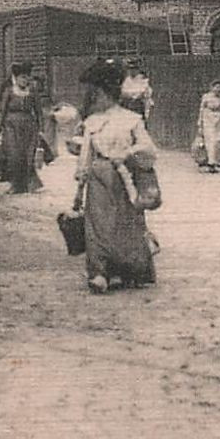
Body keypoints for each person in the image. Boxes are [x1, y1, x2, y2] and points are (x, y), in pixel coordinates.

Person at [68, 58, 158, 293]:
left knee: (122, 223)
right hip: (100, 178)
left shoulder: (131, 119)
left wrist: (127, 154)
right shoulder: (93, 122)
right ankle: (101, 272)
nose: (94, 99)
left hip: (123, 177)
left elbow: (148, 148)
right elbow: (85, 157)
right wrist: (79, 189)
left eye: (97, 94)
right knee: (99, 225)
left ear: (104, 94)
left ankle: (118, 271)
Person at [0, 61, 48, 194]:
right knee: (14, 156)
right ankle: (15, 185)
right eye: (22, 78)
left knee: (28, 156)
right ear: (16, 78)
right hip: (11, 127)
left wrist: (41, 129)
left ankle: (27, 185)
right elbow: (2, 111)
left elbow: (38, 111)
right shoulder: (9, 91)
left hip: (29, 127)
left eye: (27, 78)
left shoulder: (32, 92)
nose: (25, 80)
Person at [194, 80, 220, 172]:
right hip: (209, 120)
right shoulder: (206, 97)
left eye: (219, 87)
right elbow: (201, 110)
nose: (217, 89)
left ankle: (219, 163)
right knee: (211, 141)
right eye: (215, 87)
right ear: (211, 88)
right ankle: (211, 163)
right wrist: (200, 124)